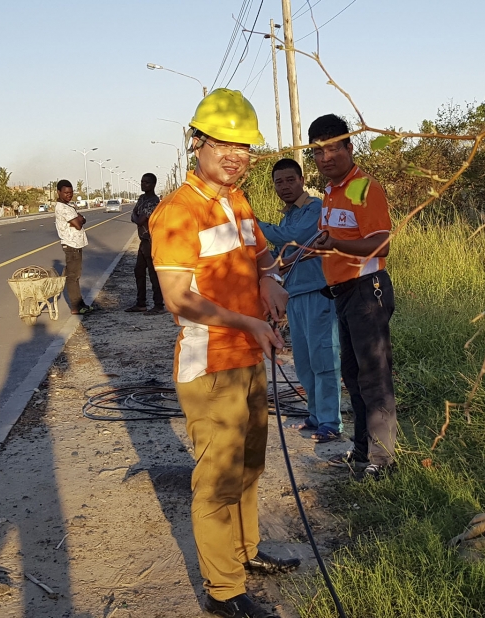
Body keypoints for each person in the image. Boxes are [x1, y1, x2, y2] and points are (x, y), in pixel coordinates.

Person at [149, 89, 297, 618]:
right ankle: (223, 591)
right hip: (209, 365)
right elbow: (178, 298)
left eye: (244, 146)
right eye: (223, 143)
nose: (235, 154)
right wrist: (247, 321)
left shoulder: (236, 200)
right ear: (197, 143)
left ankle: (244, 554)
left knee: (251, 462)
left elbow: (260, 257)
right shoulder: (175, 212)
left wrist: (271, 280)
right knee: (218, 478)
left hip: (249, 354)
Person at [309, 114, 398, 481]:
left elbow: (382, 243)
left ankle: (383, 459)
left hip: (367, 291)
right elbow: (332, 239)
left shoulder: (364, 188)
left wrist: (337, 245)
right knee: (353, 374)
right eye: (317, 151)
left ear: (350, 146)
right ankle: (362, 451)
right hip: (344, 295)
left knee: (373, 376)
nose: (326, 156)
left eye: (333, 147)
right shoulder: (330, 192)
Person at [259, 158, 342, 443]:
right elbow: (281, 253)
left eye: (290, 180)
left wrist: (250, 225)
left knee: (324, 358)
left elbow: (292, 237)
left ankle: (331, 422)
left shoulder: (314, 209)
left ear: (302, 180)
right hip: (294, 295)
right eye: (278, 182)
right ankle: (315, 416)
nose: (284, 187)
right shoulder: (288, 214)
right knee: (304, 361)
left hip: (318, 293)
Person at [126, 173, 165, 315]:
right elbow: (133, 215)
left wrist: (136, 216)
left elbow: (139, 220)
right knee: (139, 271)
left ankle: (158, 305)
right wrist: (136, 216)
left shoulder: (154, 202)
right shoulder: (142, 199)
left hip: (151, 241)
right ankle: (141, 303)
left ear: (153, 184)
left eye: (146, 182)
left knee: (153, 274)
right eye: (142, 182)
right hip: (143, 241)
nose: (143, 185)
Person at [54, 180, 94, 315]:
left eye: (70, 193)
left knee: (76, 275)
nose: (68, 195)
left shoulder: (68, 206)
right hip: (71, 245)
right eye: (65, 193)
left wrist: (79, 219)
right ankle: (75, 306)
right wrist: (79, 219)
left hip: (76, 244)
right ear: (58, 192)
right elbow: (78, 224)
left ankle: (80, 303)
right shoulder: (63, 208)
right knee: (73, 276)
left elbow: (82, 219)